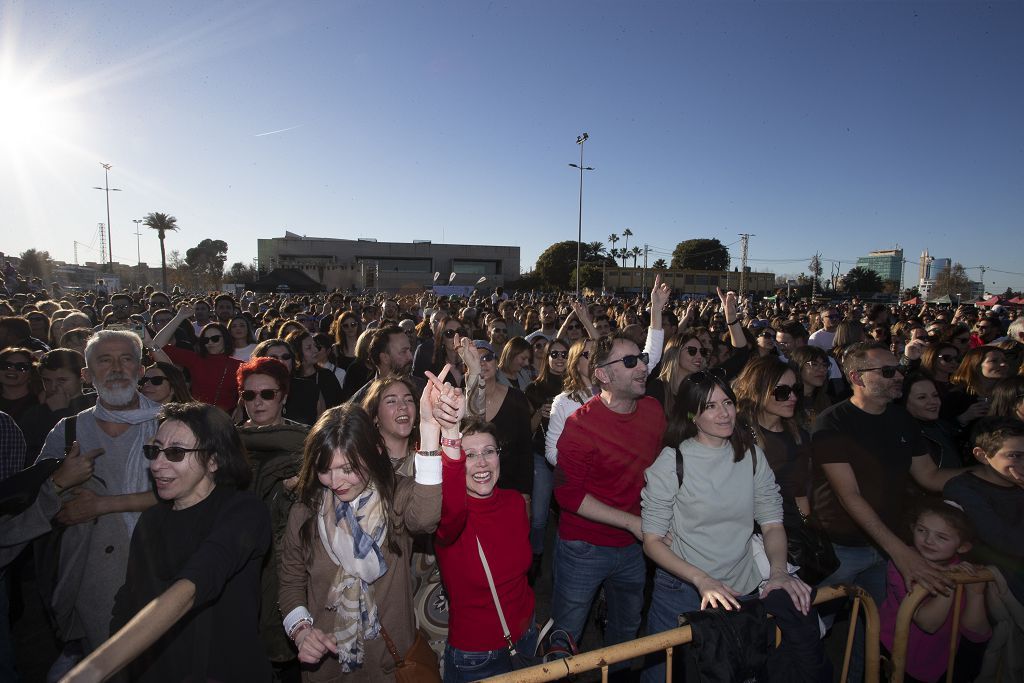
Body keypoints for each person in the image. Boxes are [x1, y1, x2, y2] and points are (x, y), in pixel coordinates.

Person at [63, 403, 273, 682]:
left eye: (175, 452)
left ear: (214, 460)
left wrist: (93, 671)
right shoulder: (151, 521)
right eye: (154, 450)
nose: (156, 464)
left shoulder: (244, 512)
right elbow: (128, 603)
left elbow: (195, 583)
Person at [640, 370, 824, 683]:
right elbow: (652, 540)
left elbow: (772, 522)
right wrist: (702, 580)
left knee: (740, 672)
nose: (724, 413)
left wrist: (778, 573)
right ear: (691, 415)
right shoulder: (671, 462)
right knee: (666, 676)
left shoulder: (751, 456)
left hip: (743, 588)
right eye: (710, 406)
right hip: (682, 589)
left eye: (727, 402)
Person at [810, 342, 970, 682]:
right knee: (813, 632)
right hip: (839, 549)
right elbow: (849, 495)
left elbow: (928, 476)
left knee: (870, 633)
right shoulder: (832, 423)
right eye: (887, 371)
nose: (898, 376)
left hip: (884, 548)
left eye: (898, 369)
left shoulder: (901, 419)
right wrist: (901, 554)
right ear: (856, 377)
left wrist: (987, 473)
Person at [277, 393, 448, 680]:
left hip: (390, 665)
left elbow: (427, 517)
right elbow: (291, 580)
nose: (336, 482)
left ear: (375, 452)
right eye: (324, 469)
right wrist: (301, 631)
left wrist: (430, 433)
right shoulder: (305, 512)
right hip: (328, 669)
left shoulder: (395, 496)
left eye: (348, 469)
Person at [32, 330, 160, 660]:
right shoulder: (68, 431)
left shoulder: (172, 423)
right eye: (104, 360)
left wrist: (104, 504)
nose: (116, 368)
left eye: (126, 359)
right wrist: (61, 481)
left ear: (141, 370)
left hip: (161, 573)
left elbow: (202, 493)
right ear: (87, 375)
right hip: (93, 584)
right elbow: (36, 507)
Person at [551, 332, 666, 667]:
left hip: (635, 547)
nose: (642, 366)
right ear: (603, 374)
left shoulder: (654, 410)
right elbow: (568, 495)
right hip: (583, 548)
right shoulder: (580, 425)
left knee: (626, 630)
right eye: (630, 361)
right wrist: (632, 522)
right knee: (567, 634)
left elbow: (659, 470)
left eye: (642, 358)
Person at [436, 415, 543, 682]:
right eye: (469, 455)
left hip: (527, 637)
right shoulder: (448, 517)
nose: (482, 462)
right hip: (477, 657)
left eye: (488, 452)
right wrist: (448, 434)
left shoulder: (516, 503)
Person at [235, 356, 309, 668]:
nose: (258, 402)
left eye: (267, 394)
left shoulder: (306, 442)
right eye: (249, 395)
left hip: (292, 558)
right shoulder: (228, 443)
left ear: (284, 397)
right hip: (240, 558)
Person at [878, 499, 990, 683]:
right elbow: (928, 623)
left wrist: (975, 593)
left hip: (939, 660)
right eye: (922, 530)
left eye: (942, 537)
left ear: (963, 546)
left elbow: (975, 634)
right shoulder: (902, 565)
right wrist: (950, 581)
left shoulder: (965, 571)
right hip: (895, 652)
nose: (928, 540)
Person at [151, 305, 242, 414]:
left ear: (226, 340)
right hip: (197, 416)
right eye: (205, 340)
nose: (210, 343)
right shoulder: (195, 359)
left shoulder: (240, 366)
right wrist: (179, 317)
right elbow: (156, 346)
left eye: (215, 339)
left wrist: (240, 409)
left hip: (227, 419)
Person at [19, 349, 96, 461]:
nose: (54, 387)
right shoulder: (34, 412)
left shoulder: (96, 405)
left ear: (82, 378)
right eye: (47, 380)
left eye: (62, 380)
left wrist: (60, 412)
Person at [361, 374, 419, 475]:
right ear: (375, 416)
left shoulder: (430, 460)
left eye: (408, 400)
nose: (403, 406)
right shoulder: (362, 465)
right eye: (392, 401)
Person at [285, 328, 343, 422]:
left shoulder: (327, 376)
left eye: (315, 346)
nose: (315, 350)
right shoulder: (290, 381)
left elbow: (340, 407)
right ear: (296, 353)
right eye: (309, 348)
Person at [788, 345, 833, 431]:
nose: (822, 369)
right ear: (798, 366)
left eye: (825, 365)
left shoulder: (825, 400)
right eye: (814, 364)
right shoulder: (786, 400)